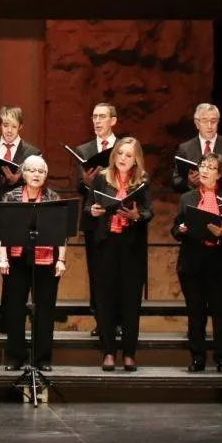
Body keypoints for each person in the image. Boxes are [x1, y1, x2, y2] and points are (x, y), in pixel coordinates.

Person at [172, 103, 222, 337]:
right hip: (195, 211)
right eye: (205, 120)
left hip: (220, 205)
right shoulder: (185, 148)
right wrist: (192, 183)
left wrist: (212, 181)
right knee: (197, 292)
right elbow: (175, 179)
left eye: (214, 120)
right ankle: (197, 336)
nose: (210, 125)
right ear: (197, 123)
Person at [0, 106, 41, 336]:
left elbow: (38, 184)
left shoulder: (32, 153)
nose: (9, 130)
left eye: (13, 126)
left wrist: (17, 180)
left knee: (14, 269)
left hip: (18, 216)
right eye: (5, 125)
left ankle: (9, 319)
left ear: (20, 126)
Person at [0, 155, 67, 371]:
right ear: (24, 174)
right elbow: (3, 231)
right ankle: (15, 357)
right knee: (15, 309)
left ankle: (42, 358)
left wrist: (61, 260)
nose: (37, 175)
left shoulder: (53, 197)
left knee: (45, 310)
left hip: (46, 261)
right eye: (32, 170)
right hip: (17, 259)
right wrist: (2, 257)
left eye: (41, 171)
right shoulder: (11, 197)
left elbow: (61, 234)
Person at [88, 137, 153, 372]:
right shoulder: (101, 178)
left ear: (136, 158)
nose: (123, 158)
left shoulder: (142, 181)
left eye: (129, 155)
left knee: (130, 301)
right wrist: (94, 210)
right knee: (105, 300)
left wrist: (137, 216)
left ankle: (129, 353)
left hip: (131, 247)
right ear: (114, 155)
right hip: (107, 245)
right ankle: (108, 353)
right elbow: (89, 206)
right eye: (120, 154)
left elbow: (149, 212)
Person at [172, 153, 222, 373]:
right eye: (202, 166)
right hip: (193, 263)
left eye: (210, 167)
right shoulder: (187, 198)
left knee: (221, 312)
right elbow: (175, 228)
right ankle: (197, 357)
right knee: (196, 313)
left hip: (220, 264)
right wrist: (180, 230)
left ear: (219, 173)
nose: (204, 170)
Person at [75, 103, 119, 337]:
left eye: (102, 117)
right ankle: (100, 320)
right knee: (96, 270)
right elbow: (78, 186)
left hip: (118, 216)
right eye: (94, 117)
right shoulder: (84, 150)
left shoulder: (123, 148)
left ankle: (118, 320)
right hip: (93, 218)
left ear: (113, 120)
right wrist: (86, 182)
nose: (97, 121)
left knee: (117, 270)